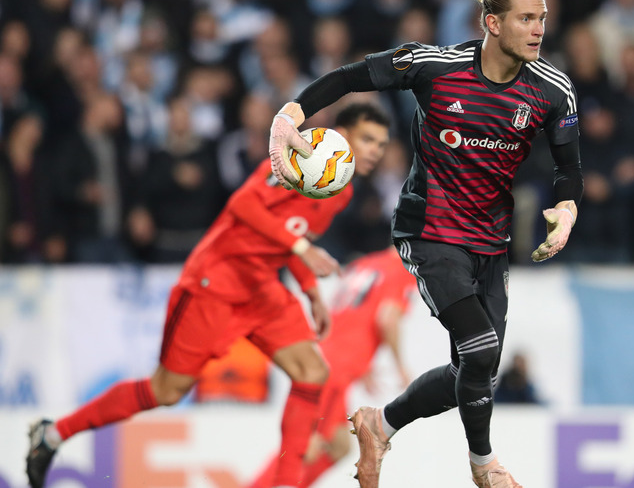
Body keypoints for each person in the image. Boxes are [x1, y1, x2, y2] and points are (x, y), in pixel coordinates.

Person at [268, 0, 582, 488]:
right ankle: (484, 466)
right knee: (480, 350)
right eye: (526, 19)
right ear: (492, 23)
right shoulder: (434, 67)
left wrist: (567, 208)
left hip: (491, 240)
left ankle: (380, 424)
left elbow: (568, 168)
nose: (538, 29)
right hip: (430, 231)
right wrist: (290, 115)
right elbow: (349, 77)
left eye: (542, 19)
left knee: (475, 373)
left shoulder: (553, 90)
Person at [25, 103, 391, 488]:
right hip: (214, 282)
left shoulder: (340, 191)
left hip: (261, 286)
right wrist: (302, 252)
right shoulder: (296, 158)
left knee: (312, 371)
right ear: (339, 135)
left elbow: (293, 237)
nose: (374, 152)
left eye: (381, 145)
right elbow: (243, 204)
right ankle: (53, 435)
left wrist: (311, 291)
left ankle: (286, 482)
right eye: (367, 139)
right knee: (165, 390)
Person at [247, 246, 417, 488]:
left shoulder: (366, 262)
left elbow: (349, 313)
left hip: (328, 358)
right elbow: (387, 318)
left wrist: (363, 365)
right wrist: (400, 366)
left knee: (338, 445)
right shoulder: (404, 270)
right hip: (338, 369)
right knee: (307, 446)